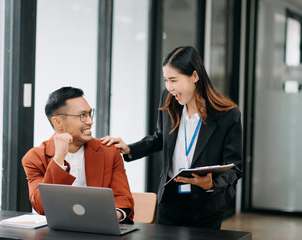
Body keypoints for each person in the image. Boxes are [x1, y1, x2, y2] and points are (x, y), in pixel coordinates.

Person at [101, 46, 242, 229]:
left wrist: (211, 184)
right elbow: (160, 137)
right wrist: (129, 148)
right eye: (166, 80)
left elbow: (235, 167)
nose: (169, 87)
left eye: (174, 80)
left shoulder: (227, 115)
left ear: (194, 76)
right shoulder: (169, 99)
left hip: (205, 203)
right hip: (170, 200)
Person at [22, 86, 134, 223]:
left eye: (90, 113)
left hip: (100, 230)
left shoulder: (109, 151)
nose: (90, 121)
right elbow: (41, 206)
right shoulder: (35, 158)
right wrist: (59, 158)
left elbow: (123, 201)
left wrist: (105, 218)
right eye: (82, 115)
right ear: (58, 122)